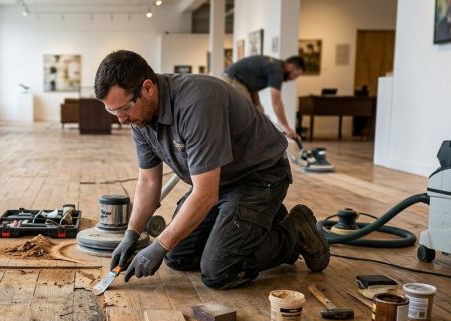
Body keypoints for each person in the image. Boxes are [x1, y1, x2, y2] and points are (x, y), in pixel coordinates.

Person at [94, 50, 329, 289]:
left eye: (123, 108)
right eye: (113, 111)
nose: (121, 119)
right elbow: (148, 181)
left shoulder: (197, 103)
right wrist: (132, 234)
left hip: (258, 177)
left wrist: (158, 245)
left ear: (147, 88)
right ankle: (257, 222)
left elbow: (205, 194)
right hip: (219, 180)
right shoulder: (140, 118)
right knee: (177, 256)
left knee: (219, 270)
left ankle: (295, 230)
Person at [222, 55, 305, 139]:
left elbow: (253, 88)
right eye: (295, 75)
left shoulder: (274, 65)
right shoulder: (277, 69)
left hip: (238, 81)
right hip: (232, 80)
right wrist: (286, 128)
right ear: (289, 66)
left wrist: (259, 108)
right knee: (247, 116)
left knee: (257, 112)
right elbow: (276, 101)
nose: (293, 79)